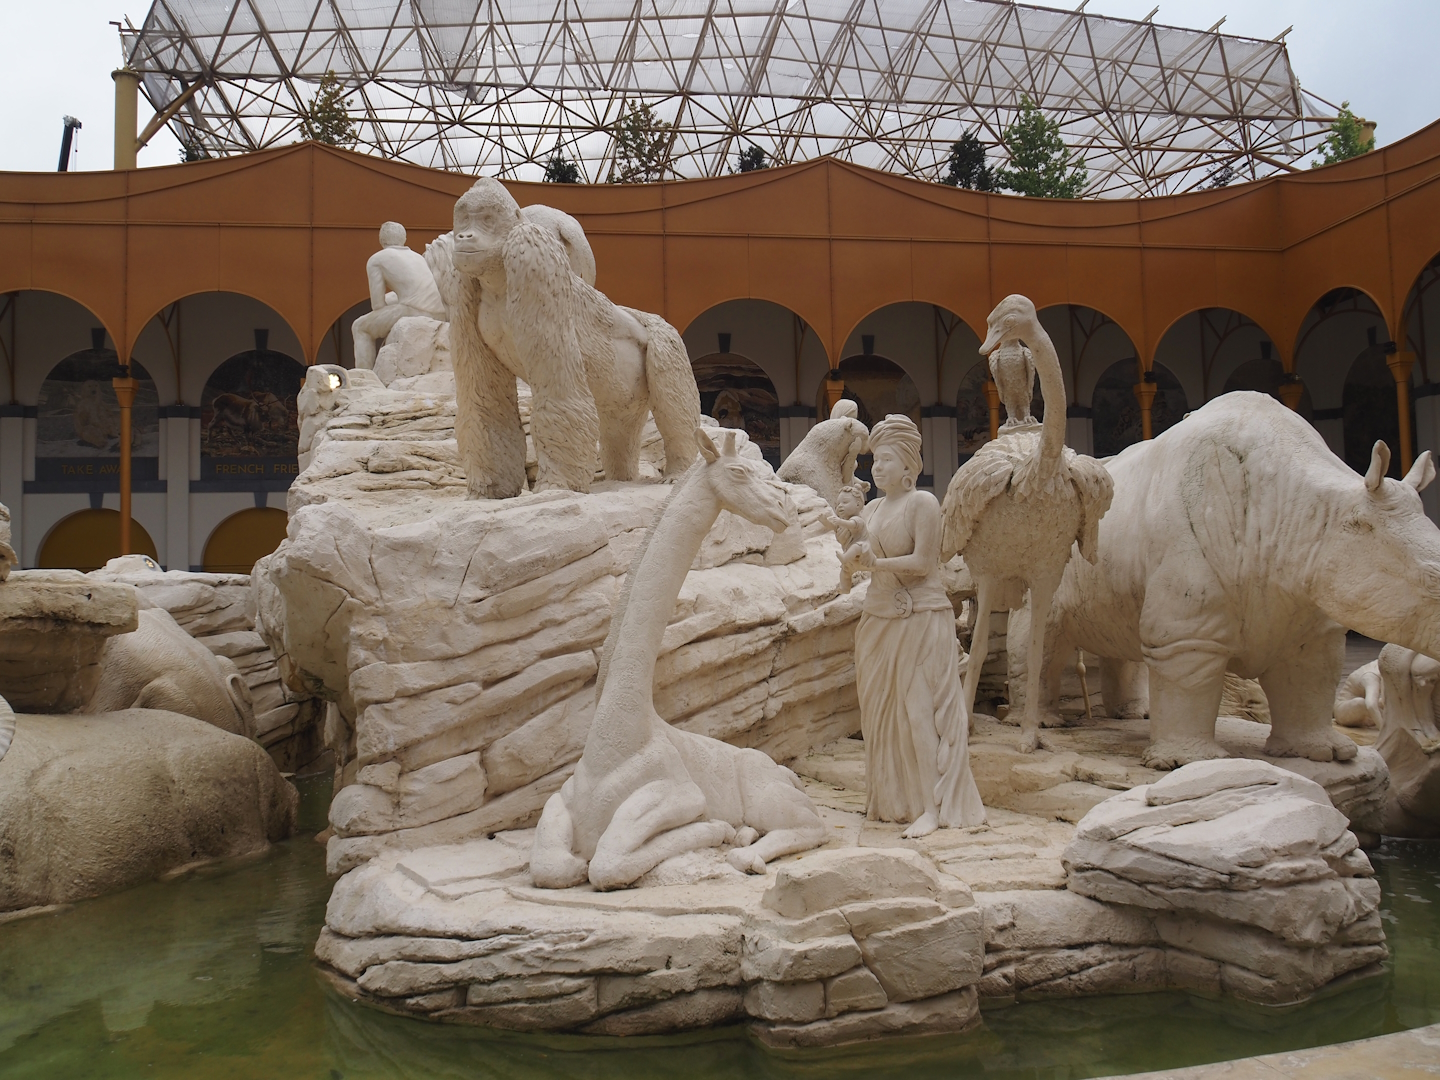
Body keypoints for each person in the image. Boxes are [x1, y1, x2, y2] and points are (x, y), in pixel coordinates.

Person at [853, 414, 986, 837]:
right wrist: (851, 560)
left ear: (908, 466)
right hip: (878, 622)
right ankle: (893, 800)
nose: (877, 467)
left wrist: (874, 563)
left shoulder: (922, 504)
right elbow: (861, 566)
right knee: (880, 713)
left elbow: (925, 563)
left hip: (921, 621)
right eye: (875, 458)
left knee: (919, 714)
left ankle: (933, 807)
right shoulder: (873, 508)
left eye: (887, 459)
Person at [351, 222, 447, 370]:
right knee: (392, 299)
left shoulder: (376, 259)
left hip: (414, 310)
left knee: (360, 327)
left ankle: (364, 376)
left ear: (381, 239)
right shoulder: (417, 257)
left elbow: (377, 305)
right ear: (404, 238)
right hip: (439, 313)